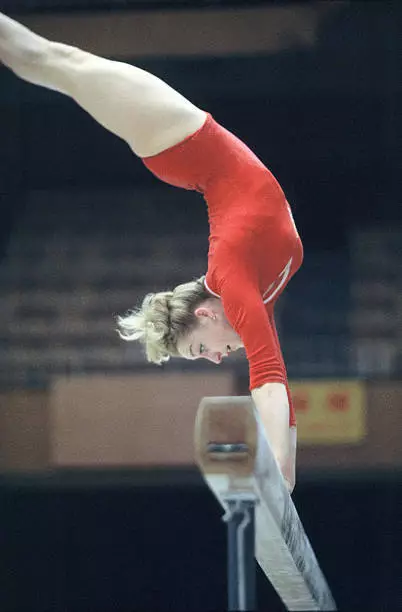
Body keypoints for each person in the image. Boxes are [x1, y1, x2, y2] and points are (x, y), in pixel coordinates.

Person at [0, 12, 303, 492]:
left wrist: (281, 472)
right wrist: (284, 467)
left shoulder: (232, 281)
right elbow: (274, 382)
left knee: (52, 61)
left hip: (179, 139)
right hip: (185, 146)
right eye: (201, 355)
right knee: (46, 63)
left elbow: (267, 380)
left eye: (200, 348)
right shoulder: (248, 299)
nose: (214, 358)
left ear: (205, 314)